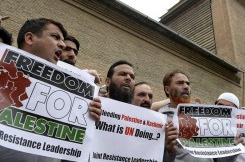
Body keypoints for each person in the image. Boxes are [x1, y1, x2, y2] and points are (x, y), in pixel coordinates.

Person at [0, 18, 101, 162]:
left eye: (63, 40)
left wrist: (89, 120)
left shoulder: (70, 92)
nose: (62, 44)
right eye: (55, 37)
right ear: (30, 38)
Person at [158, 70, 242, 162]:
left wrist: (233, 150)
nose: (186, 87)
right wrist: (170, 153)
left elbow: (218, 160)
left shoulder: (205, 117)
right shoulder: (161, 120)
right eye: (180, 83)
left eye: (188, 84)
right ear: (167, 89)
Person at [104, 60, 178, 159]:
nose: (128, 78)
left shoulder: (158, 128)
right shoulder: (96, 106)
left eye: (132, 76)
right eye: (123, 74)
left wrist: (171, 152)